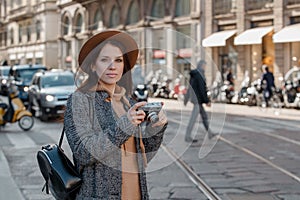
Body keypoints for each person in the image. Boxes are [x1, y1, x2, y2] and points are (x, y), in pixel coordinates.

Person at [64, 30, 168, 200]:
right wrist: (125, 124)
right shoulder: (80, 101)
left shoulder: (128, 102)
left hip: (136, 194)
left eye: (118, 60)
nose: (112, 66)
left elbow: (143, 156)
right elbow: (83, 152)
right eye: (104, 60)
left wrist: (156, 129)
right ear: (92, 65)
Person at [184, 60, 216, 143]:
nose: (205, 67)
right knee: (193, 118)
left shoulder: (194, 74)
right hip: (198, 100)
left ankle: (210, 133)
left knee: (204, 116)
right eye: (204, 65)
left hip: (196, 100)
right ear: (201, 65)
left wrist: (186, 98)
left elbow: (189, 87)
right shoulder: (200, 74)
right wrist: (207, 101)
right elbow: (202, 89)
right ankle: (187, 136)